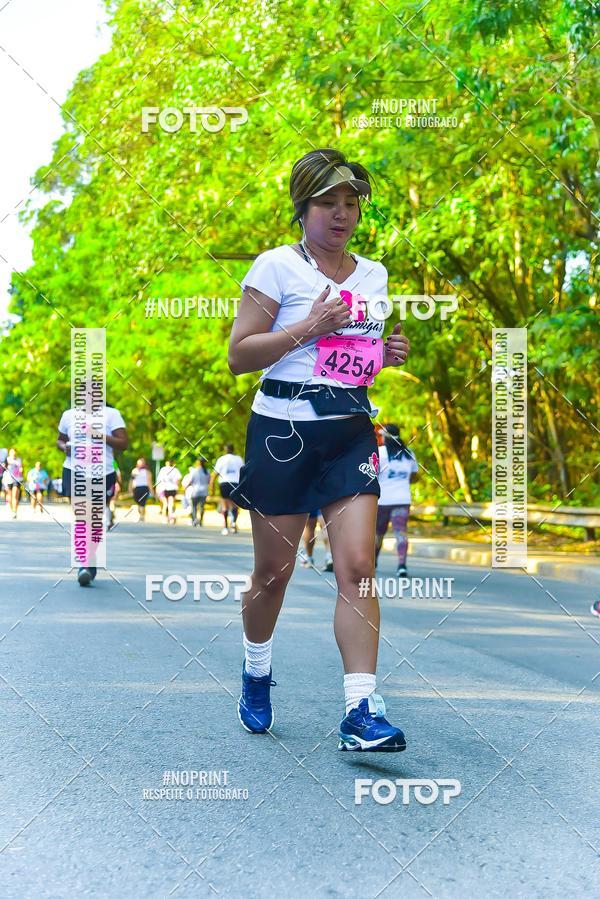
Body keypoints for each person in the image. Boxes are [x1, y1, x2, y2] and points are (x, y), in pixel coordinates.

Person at [227, 148, 410, 751]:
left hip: (349, 429)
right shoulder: (277, 267)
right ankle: (257, 669)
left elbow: (353, 362)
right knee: (272, 574)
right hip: (283, 428)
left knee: (357, 566)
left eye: (351, 204)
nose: (342, 215)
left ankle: (361, 710)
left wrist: (383, 355)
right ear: (302, 209)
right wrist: (313, 325)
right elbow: (240, 355)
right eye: (328, 204)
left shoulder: (374, 274)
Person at [57, 401, 128, 586]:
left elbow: (123, 443)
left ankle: (89, 560)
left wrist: (98, 435)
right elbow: (60, 439)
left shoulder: (111, 414)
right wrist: (65, 447)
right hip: (74, 470)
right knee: (82, 518)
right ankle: (85, 565)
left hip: (102, 472)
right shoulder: (68, 415)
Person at [375, 424, 419, 577]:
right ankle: (402, 565)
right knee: (401, 532)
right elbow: (414, 477)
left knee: (378, 533)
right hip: (402, 499)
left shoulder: (379, 453)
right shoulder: (409, 454)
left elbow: (372, 475)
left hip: (382, 500)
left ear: (384, 437)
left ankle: (373, 561)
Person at [210, 444, 244, 535]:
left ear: (225, 450)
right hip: (235, 483)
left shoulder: (221, 459)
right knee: (235, 505)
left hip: (224, 483)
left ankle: (225, 527)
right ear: (233, 449)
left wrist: (211, 488)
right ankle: (233, 523)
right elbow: (243, 473)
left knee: (224, 506)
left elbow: (214, 475)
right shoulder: (239, 459)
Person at [182, 458, 210, 526]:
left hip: (195, 491)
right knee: (202, 507)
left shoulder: (194, 471)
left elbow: (191, 481)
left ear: (198, 463)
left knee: (194, 506)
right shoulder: (207, 471)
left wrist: (186, 487)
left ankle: (194, 520)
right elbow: (208, 481)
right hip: (204, 491)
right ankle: (201, 521)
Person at [156, 460, 182, 524]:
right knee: (171, 504)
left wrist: (157, 489)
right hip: (172, 489)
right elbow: (178, 480)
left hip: (164, 489)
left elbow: (159, 480)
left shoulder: (163, 469)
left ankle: (165, 519)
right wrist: (177, 488)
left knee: (165, 504)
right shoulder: (175, 470)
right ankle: (172, 518)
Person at [129, 458, 154, 522]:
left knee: (141, 503)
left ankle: (142, 517)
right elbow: (132, 480)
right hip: (139, 488)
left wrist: (152, 491)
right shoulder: (136, 471)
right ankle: (142, 516)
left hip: (142, 488)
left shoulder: (146, 472)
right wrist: (130, 489)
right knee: (141, 504)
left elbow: (149, 482)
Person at [3, 448, 24, 518]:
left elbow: (21, 468)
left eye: (14, 452)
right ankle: (13, 511)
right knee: (10, 497)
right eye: (12, 452)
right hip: (9, 479)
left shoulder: (19, 460)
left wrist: (21, 470)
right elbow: (4, 467)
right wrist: (4, 465)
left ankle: (15, 511)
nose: (13, 453)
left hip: (17, 479)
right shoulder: (7, 459)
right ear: (10, 453)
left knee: (15, 495)